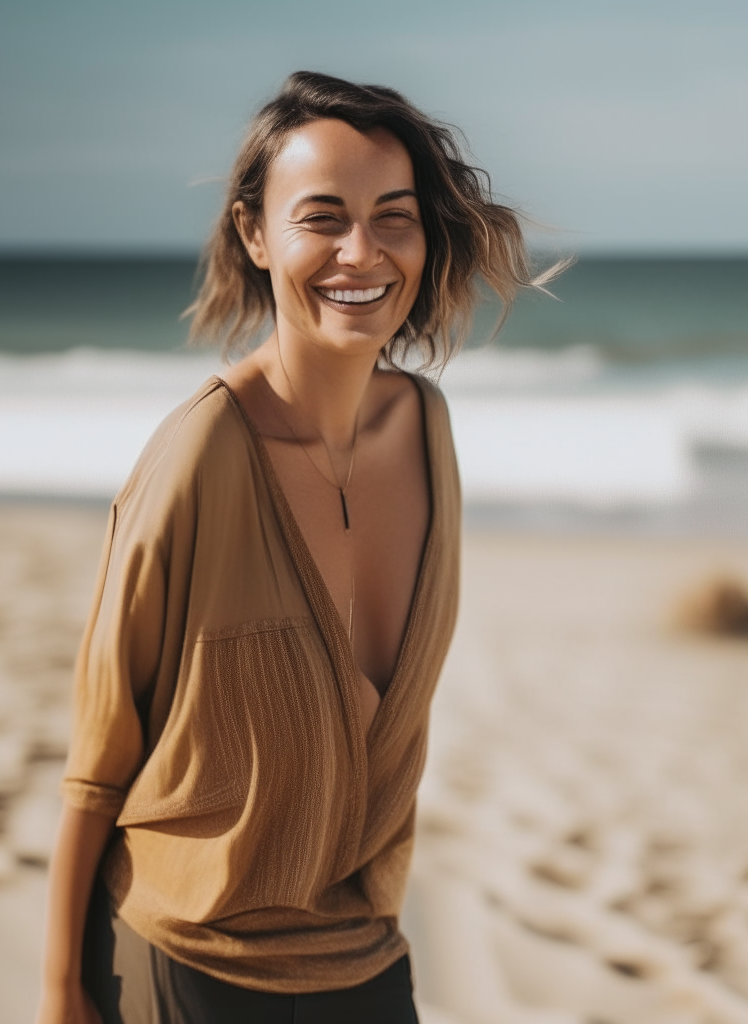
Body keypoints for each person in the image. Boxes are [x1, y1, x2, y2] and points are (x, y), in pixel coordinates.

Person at [35, 70, 560, 1024]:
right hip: (187, 961)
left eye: (393, 216)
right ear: (255, 235)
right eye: (321, 217)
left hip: (363, 957)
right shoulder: (199, 457)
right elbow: (99, 759)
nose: (362, 252)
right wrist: (61, 990)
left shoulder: (427, 429)